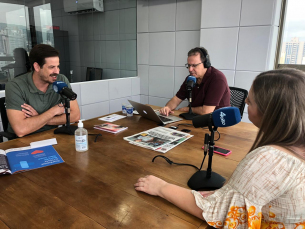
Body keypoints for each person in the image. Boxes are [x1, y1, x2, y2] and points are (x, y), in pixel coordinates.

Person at [135, 68, 305, 227]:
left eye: (250, 101)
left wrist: (161, 187)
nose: (245, 101)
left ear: (271, 112)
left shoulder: (269, 159)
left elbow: (217, 212)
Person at [5, 44, 80, 137]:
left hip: (53, 135)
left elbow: (75, 115)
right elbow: (21, 129)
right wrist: (53, 111)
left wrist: (39, 117)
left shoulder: (61, 80)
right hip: (23, 141)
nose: (57, 71)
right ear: (36, 67)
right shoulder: (15, 86)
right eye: (51, 67)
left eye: (58, 66)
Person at [160, 47, 230, 116]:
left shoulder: (217, 79)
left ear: (206, 63)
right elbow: (177, 99)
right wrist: (168, 107)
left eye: (194, 65)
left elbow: (206, 111)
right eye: (189, 65)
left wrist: (187, 109)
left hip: (219, 121)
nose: (190, 69)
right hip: (197, 118)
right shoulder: (191, 78)